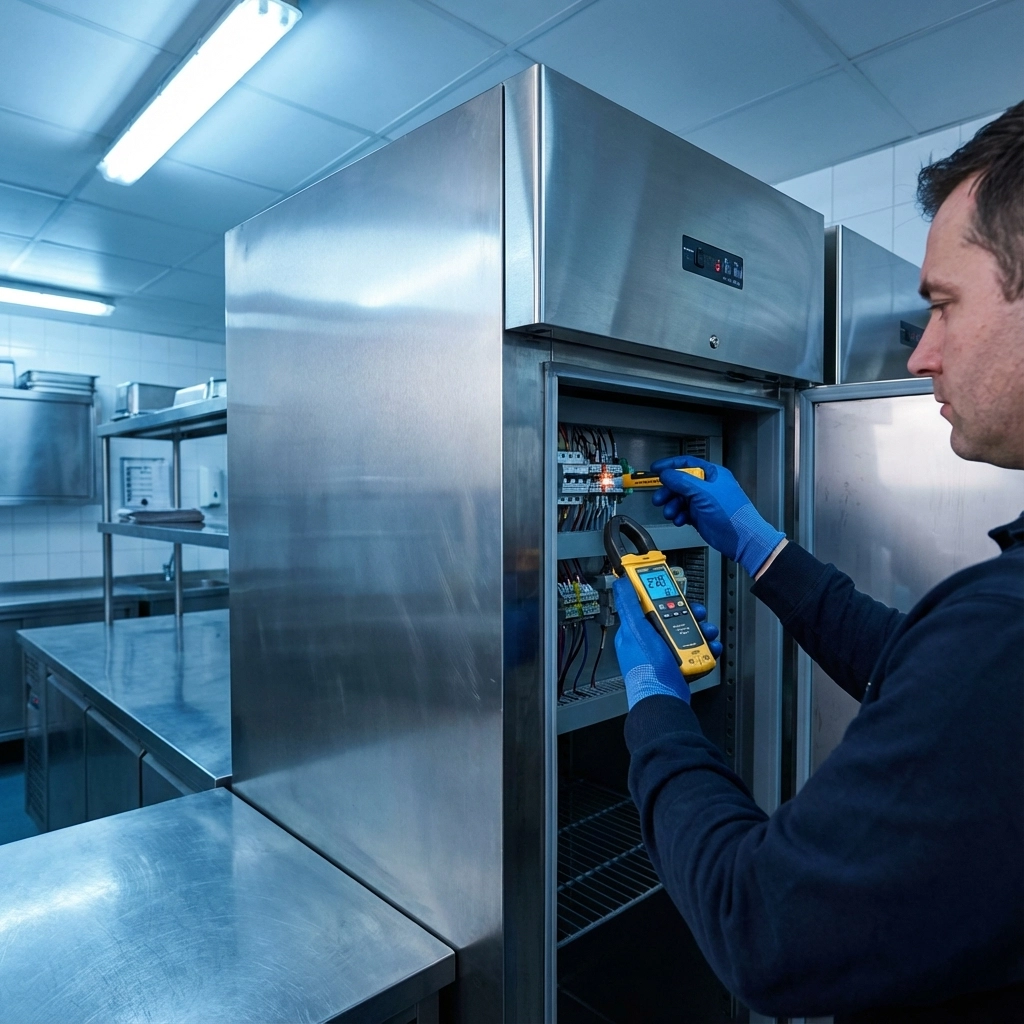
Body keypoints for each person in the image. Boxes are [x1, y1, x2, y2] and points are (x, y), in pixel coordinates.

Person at [612, 102, 1024, 1022]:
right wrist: (761, 551)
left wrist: (655, 709)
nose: (920, 355)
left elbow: (760, 927)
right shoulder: (991, 639)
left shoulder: (1008, 631)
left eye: (944, 305)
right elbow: (925, 670)